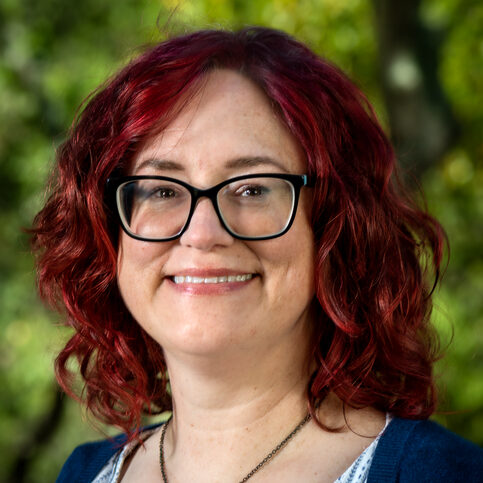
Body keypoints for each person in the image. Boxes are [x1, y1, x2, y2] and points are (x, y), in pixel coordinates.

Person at [31, 27, 482, 482]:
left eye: (252, 188)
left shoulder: (441, 473)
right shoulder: (84, 473)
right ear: (110, 232)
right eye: (162, 190)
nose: (202, 233)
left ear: (335, 225)